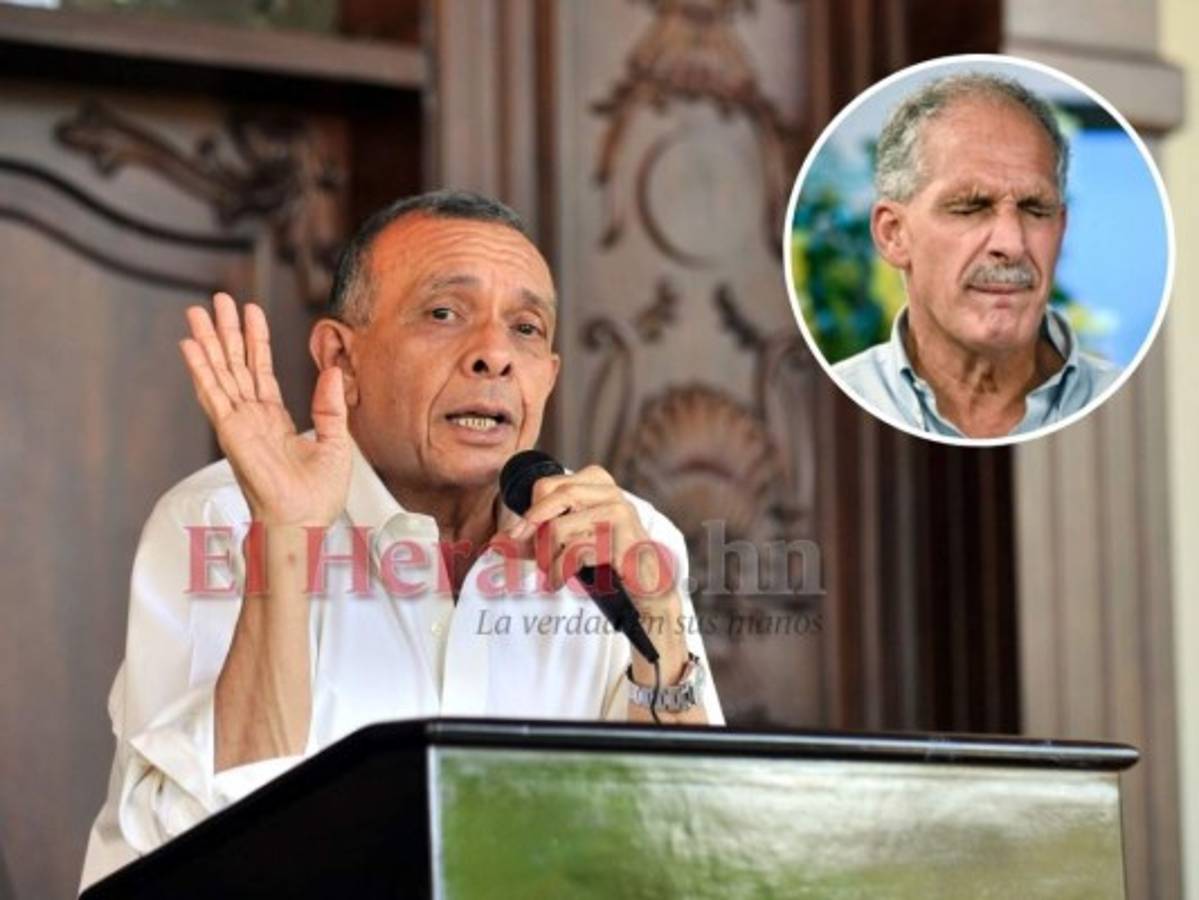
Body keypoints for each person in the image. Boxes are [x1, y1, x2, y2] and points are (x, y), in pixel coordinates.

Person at [79, 190, 722, 891]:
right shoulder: (220, 522)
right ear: (341, 357)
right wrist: (284, 540)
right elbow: (195, 854)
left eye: (527, 328)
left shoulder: (624, 541)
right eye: (444, 313)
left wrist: (659, 631)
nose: (494, 356)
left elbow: (700, 849)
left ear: (549, 378)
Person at [832, 72, 1120, 439]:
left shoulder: (1119, 404)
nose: (1012, 244)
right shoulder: (837, 402)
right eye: (970, 208)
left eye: (1035, 209)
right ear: (894, 234)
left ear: (1060, 229)